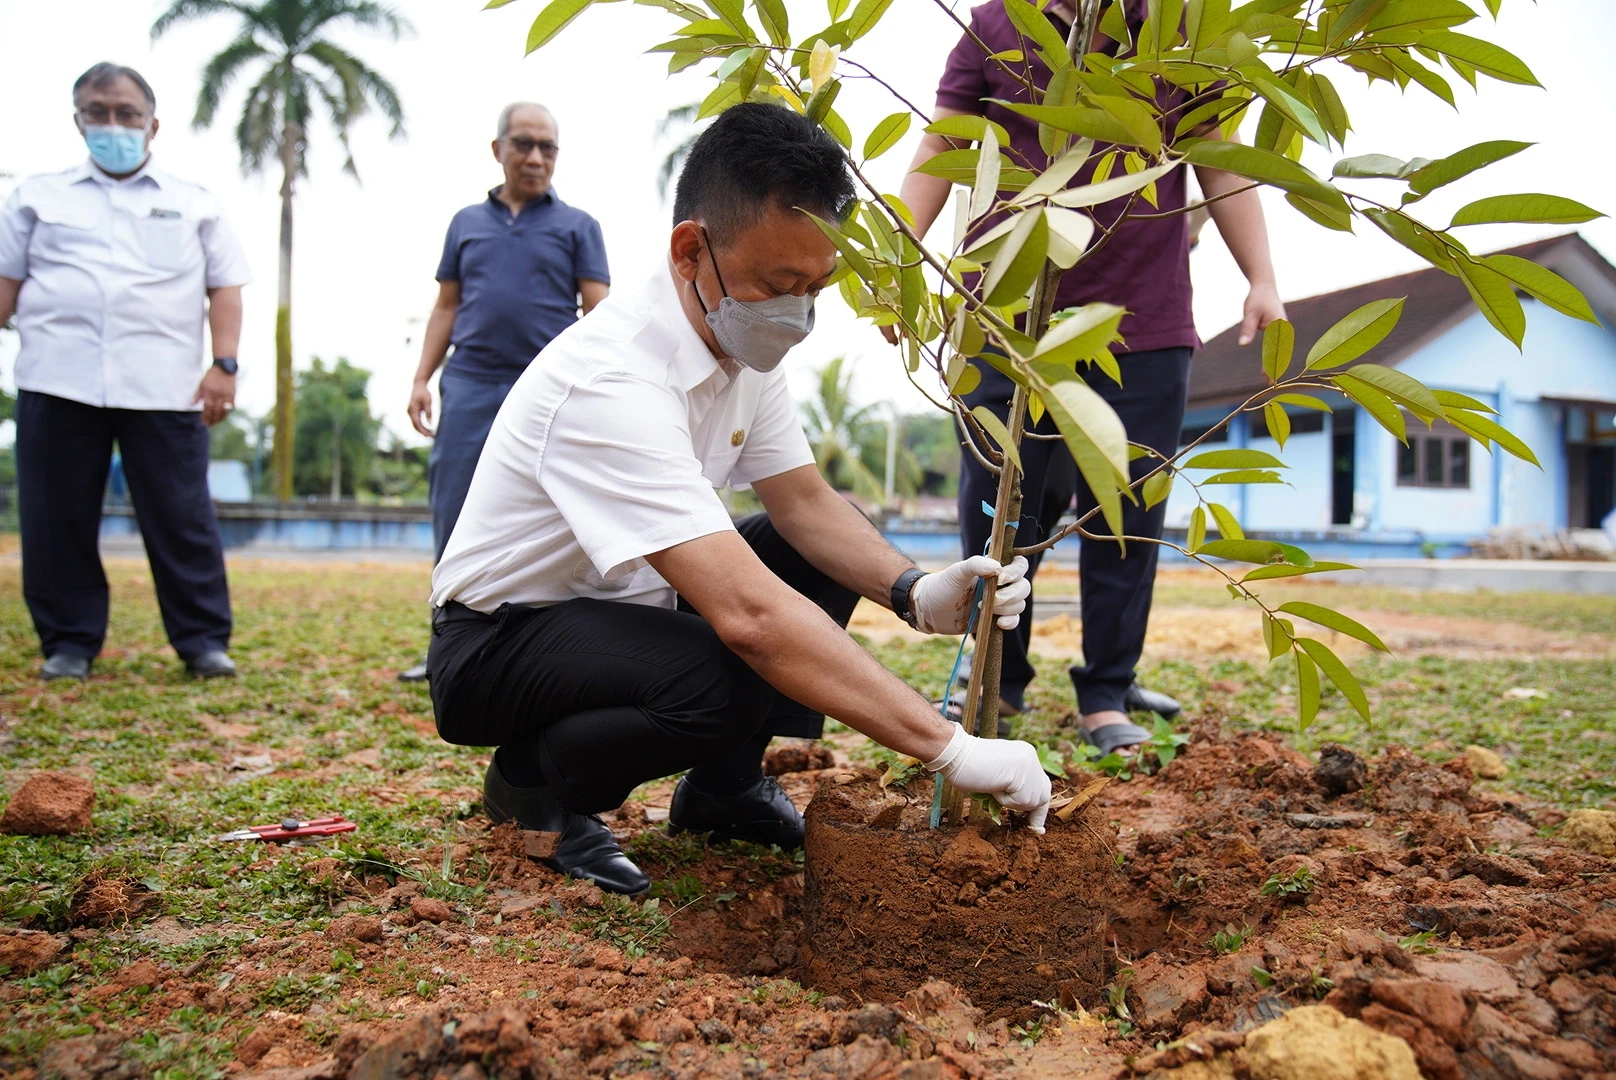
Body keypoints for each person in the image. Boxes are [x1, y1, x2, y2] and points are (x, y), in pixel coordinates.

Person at [427, 102, 1051, 895]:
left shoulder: (739, 347)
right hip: (501, 641)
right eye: (779, 285)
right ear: (692, 251)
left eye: (816, 286)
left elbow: (804, 504)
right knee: (728, 673)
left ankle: (722, 791)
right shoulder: (612, 379)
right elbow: (751, 617)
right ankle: (536, 783)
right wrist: (950, 749)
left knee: (809, 552)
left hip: (627, 608)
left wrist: (915, 591)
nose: (796, 314)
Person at [895, 0, 1286, 754]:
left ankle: (1107, 690)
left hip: (1143, 319)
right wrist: (902, 264)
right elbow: (941, 143)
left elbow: (1221, 159)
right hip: (1003, 315)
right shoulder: (993, 26)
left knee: (1129, 510)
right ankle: (996, 679)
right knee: (998, 506)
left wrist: (1262, 277)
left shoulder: (1182, 32)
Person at [0, 63, 249, 682]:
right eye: (98, 113)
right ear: (78, 121)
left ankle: (202, 641)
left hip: (164, 386)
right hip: (57, 379)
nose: (113, 125)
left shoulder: (194, 203)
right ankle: (68, 642)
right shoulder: (35, 196)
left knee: (182, 518)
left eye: (127, 114)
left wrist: (224, 365)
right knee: (56, 518)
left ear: (152, 124)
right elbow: (6, 282)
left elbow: (225, 287)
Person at [398, 102, 610, 682]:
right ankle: (448, 649)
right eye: (523, 144)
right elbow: (446, 306)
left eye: (548, 147)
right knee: (453, 508)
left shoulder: (579, 227)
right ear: (498, 150)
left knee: (556, 517)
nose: (536, 157)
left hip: (548, 392)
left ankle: (547, 648)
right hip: (469, 384)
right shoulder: (465, 223)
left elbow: (598, 314)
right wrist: (420, 378)